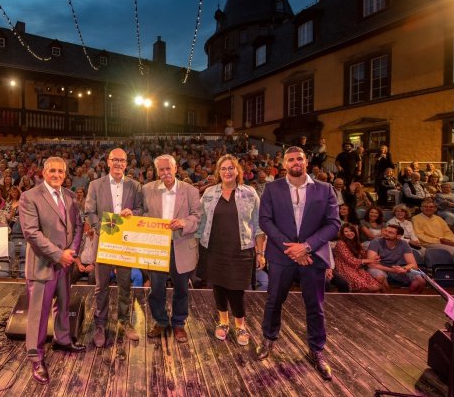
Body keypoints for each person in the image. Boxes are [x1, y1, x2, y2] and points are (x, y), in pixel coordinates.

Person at [256, 146, 340, 381]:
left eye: (299, 159)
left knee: (315, 306)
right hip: (282, 256)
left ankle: (316, 350)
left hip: (313, 256)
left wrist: (306, 247)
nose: (295, 162)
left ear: (306, 161)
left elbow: (333, 224)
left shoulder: (325, 189)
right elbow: (265, 221)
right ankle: (269, 339)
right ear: (284, 164)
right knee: (274, 301)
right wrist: (292, 248)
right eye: (291, 159)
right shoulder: (272, 189)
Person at [18, 157, 85, 385]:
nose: (57, 174)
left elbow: (78, 226)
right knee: (38, 314)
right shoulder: (29, 196)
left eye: (61, 171)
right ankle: (36, 358)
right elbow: (31, 233)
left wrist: (72, 251)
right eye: (52, 171)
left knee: (63, 305)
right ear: (44, 173)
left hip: (65, 264)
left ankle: (63, 339)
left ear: (65, 174)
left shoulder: (69, 195)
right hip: (42, 264)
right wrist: (59, 254)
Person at [196, 154, 265, 346]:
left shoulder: (250, 193)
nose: (227, 172)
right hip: (214, 248)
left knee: (236, 290)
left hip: (241, 250)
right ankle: (223, 322)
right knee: (218, 286)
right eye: (223, 168)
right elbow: (201, 223)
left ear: (237, 171)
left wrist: (260, 253)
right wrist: (196, 247)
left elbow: (258, 225)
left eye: (231, 168)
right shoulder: (209, 193)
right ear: (219, 172)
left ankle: (240, 324)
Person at [84, 148, 145, 347]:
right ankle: (100, 325)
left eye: (122, 160)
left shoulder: (135, 186)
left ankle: (124, 321)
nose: (118, 163)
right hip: (104, 242)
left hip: (125, 243)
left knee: (125, 285)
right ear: (108, 162)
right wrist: (101, 228)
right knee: (101, 286)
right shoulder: (95, 185)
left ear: (127, 164)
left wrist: (132, 213)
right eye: (115, 160)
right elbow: (89, 212)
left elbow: (141, 210)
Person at [144, 154, 202, 344]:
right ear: (156, 171)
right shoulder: (146, 190)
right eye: (161, 169)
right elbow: (141, 213)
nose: (165, 172)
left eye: (169, 168)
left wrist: (183, 222)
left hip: (182, 246)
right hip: (156, 248)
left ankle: (178, 324)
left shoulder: (191, 190)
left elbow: (197, 217)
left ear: (176, 168)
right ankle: (161, 321)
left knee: (182, 289)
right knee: (156, 289)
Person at [366, 225, 427, 293]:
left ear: (398, 236)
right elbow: (371, 265)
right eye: (386, 231)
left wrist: (404, 269)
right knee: (380, 277)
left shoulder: (403, 244)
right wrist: (392, 270)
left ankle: (410, 299)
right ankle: (389, 299)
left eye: (390, 232)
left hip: (396, 268)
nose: (386, 233)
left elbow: (414, 265)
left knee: (421, 280)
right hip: (379, 268)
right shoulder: (376, 242)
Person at [331, 223, 381, 292]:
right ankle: (353, 300)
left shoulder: (356, 242)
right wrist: (368, 260)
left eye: (351, 231)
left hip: (357, 268)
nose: (349, 233)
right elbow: (350, 260)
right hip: (345, 268)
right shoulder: (340, 243)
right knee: (365, 287)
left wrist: (374, 257)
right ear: (342, 233)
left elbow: (363, 255)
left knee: (376, 286)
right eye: (346, 231)